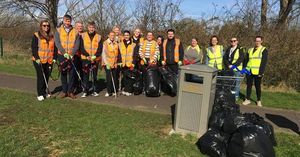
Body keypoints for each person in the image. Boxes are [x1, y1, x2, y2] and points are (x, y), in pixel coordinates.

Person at [54, 14, 80, 99]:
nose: (68, 22)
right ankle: (64, 91)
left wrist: (72, 54)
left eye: (69, 21)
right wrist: (64, 52)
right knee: (63, 73)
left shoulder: (75, 31)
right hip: (62, 55)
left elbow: (77, 44)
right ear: (63, 21)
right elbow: (57, 43)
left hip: (72, 55)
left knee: (72, 74)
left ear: (71, 21)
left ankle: (70, 91)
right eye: (66, 21)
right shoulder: (58, 30)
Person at [31, 20, 57, 101]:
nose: (46, 27)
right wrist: (37, 58)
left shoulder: (52, 36)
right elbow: (34, 48)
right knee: (41, 77)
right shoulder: (36, 35)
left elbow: (55, 49)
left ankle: (44, 92)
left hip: (49, 60)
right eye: (44, 25)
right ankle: (40, 94)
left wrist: (55, 58)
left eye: (48, 26)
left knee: (46, 76)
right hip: (39, 60)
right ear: (41, 26)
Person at [242, 36, 268, 107]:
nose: (257, 42)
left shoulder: (264, 50)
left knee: (257, 86)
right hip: (249, 71)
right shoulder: (250, 50)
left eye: (259, 41)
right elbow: (246, 60)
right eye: (256, 41)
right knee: (249, 85)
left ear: (261, 41)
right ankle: (247, 99)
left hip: (257, 72)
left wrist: (261, 72)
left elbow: (264, 62)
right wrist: (244, 68)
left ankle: (258, 100)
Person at [80, 21, 102, 98]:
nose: (91, 29)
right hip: (85, 59)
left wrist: (95, 56)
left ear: (94, 28)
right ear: (88, 27)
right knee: (85, 75)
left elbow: (100, 49)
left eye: (93, 27)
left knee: (94, 75)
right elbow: (81, 47)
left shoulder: (99, 36)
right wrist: (87, 55)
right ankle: (85, 91)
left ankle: (95, 90)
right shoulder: (83, 35)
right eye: (90, 27)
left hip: (95, 59)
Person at [102, 31, 120, 97]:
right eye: (111, 35)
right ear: (109, 36)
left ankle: (113, 90)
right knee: (109, 78)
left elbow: (117, 53)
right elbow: (103, 54)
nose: (112, 37)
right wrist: (106, 63)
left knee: (115, 77)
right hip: (108, 63)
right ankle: (108, 91)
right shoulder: (105, 43)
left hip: (114, 63)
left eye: (113, 35)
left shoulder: (116, 43)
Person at [119, 30, 136, 96]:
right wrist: (120, 61)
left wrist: (133, 63)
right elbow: (119, 54)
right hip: (123, 64)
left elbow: (135, 55)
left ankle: (129, 90)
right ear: (123, 36)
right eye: (125, 35)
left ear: (129, 36)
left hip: (130, 63)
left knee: (130, 78)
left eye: (127, 35)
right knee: (125, 77)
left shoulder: (133, 44)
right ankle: (126, 89)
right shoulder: (120, 44)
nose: (126, 36)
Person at [73, 21, 84, 94]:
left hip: (83, 56)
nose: (80, 27)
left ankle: (83, 86)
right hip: (75, 55)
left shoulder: (84, 35)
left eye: (81, 26)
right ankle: (75, 86)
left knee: (83, 72)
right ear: (75, 26)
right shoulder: (73, 34)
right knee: (75, 72)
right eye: (78, 26)